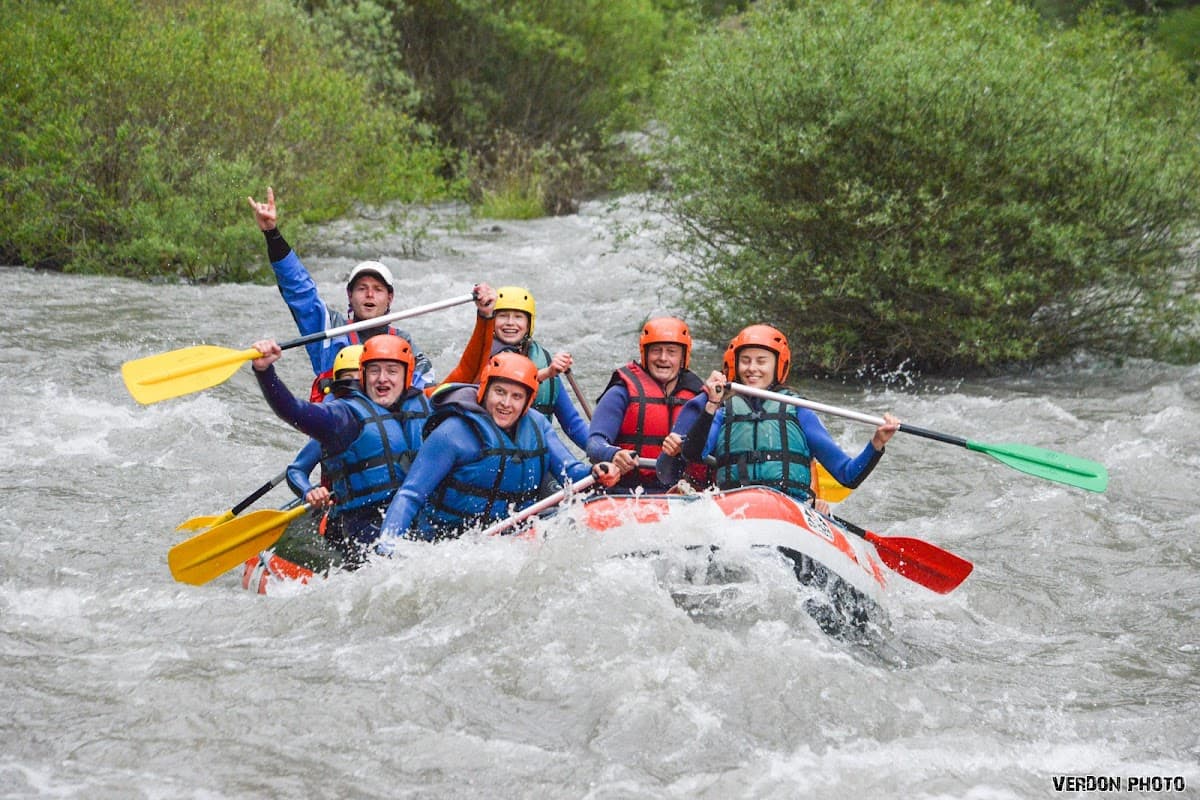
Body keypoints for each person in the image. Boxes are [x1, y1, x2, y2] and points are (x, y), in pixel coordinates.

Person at [377, 352, 623, 545]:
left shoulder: (538, 425)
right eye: (499, 392)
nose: (506, 403)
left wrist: (598, 471)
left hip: (514, 540)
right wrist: (387, 546)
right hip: (450, 543)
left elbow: (572, 473)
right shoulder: (452, 433)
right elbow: (411, 494)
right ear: (484, 391)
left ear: (528, 401)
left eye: (516, 396)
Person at [658, 324, 899, 502]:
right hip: (735, 508)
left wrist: (876, 443)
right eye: (745, 361)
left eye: (761, 361)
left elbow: (847, 474)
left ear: (778, 365)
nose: (752, 368)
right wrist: (711, 404)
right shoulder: (723, 411)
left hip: (788, 509)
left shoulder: (800, 412)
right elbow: (693, 453)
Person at [250, 333, 432, 565]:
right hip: (366, 529)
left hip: (419, 522)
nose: (382, 379)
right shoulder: (344, 417)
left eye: (392, 371)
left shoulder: (423, 408)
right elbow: (294, 410)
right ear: (363, 375)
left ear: (407, 375)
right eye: (374, 371)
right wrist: (265, 372)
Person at [247, 186, 433, 400]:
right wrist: (272, 234)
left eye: (378, 289)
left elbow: (430, 390)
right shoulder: (329, 330)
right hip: (338, 416)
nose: (369, 295)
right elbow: (299, 290)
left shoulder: (404, 343)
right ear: (350, 296)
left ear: (389, 298)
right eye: (362, 288)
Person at [435, 284, 589, 448]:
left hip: (534, 452)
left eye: (518, 317)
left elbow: (573, 424)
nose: (510, 323)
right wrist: (548, 372)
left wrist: (601, 448)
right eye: (503, 316)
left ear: (529, 323)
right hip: (493, 451)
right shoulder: (484, 357)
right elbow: (512, 382)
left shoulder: (542, 360)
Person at [585, 317, 709, 492]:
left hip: (680, 492)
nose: (663, 358)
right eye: (656, 351)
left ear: (683, 357)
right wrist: (613, 453)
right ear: (645, 354)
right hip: (627, 490)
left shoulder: (699, 397)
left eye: (671, 352)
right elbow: (594, 443)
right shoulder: (621, 392)